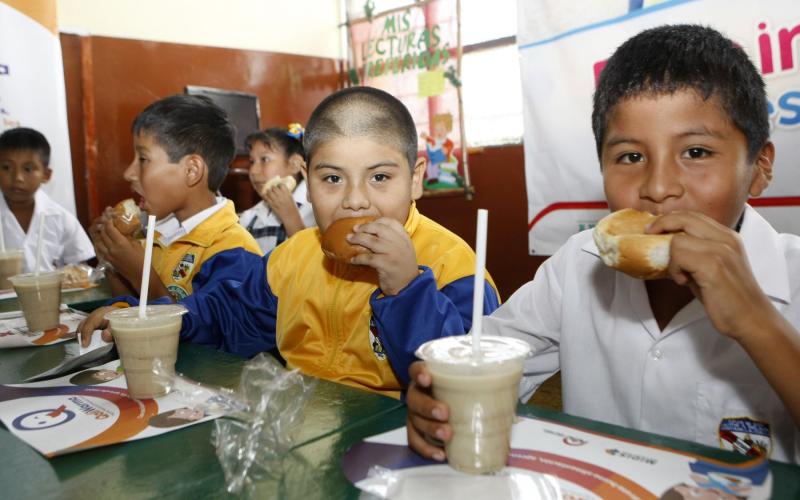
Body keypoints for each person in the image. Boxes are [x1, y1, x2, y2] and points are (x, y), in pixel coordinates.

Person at [406, 24, 800, 463]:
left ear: (760, 167)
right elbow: (493, 353)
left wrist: (758, 323)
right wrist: (439, 397)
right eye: (630, 157)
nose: (659, 186)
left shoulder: (794, 275)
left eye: (696, 152)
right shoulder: (580, 263)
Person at [80, 86, 500, 398]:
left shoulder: (456, 269)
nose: (355, 201)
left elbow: (462, 385)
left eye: (380, 177)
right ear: (306, 178)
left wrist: (408, 290)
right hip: (302, 433)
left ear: (415, 178)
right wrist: (150, 317)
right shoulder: (295, 257)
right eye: (332, 179)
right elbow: (227, 315)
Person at [86, 94, 262, 302]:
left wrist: (140, 272)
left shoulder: (235, 251)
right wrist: (112, 260)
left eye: (143, 159)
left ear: (191, 170)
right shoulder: (153, 236)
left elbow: (201, 332)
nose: (129, 173)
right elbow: (132, 312)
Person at [0, 127, 94, 272]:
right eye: (6, 167)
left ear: (46, 175)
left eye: (28, 169)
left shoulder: (61, 219)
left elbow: (81, 271)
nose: (17, 178)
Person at [238, 124, 316, 253]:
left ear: (295, 164)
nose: (253, 171)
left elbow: (313, 262)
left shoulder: (316, 209)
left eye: (265, 159)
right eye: (252, 161)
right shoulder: (249, 217)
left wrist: (290, 217)